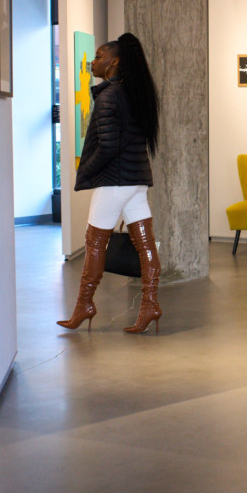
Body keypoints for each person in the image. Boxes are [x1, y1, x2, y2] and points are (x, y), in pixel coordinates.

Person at [58, 33, 163, 335]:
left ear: (114, 62)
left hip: (115, 181)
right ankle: (150, 304)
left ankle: (84, 305)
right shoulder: (135, 92)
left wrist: (85, 172)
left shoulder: (109, 95)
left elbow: (107, 147)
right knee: (145, 245)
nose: (94, 61)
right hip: (136, 180)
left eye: (100, 56)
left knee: (94, 242)